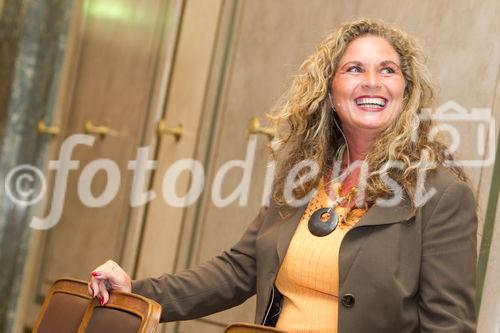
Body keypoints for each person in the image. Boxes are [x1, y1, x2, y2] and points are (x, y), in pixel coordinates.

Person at [88, 19, 477, 332]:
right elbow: (237, 270)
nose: (372, 82)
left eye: (388, 70)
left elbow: (450, 325)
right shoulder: (302, 177)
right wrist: (136, 292)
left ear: (406, 92)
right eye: (354, 69)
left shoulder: (441, 196)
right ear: (329, 92)